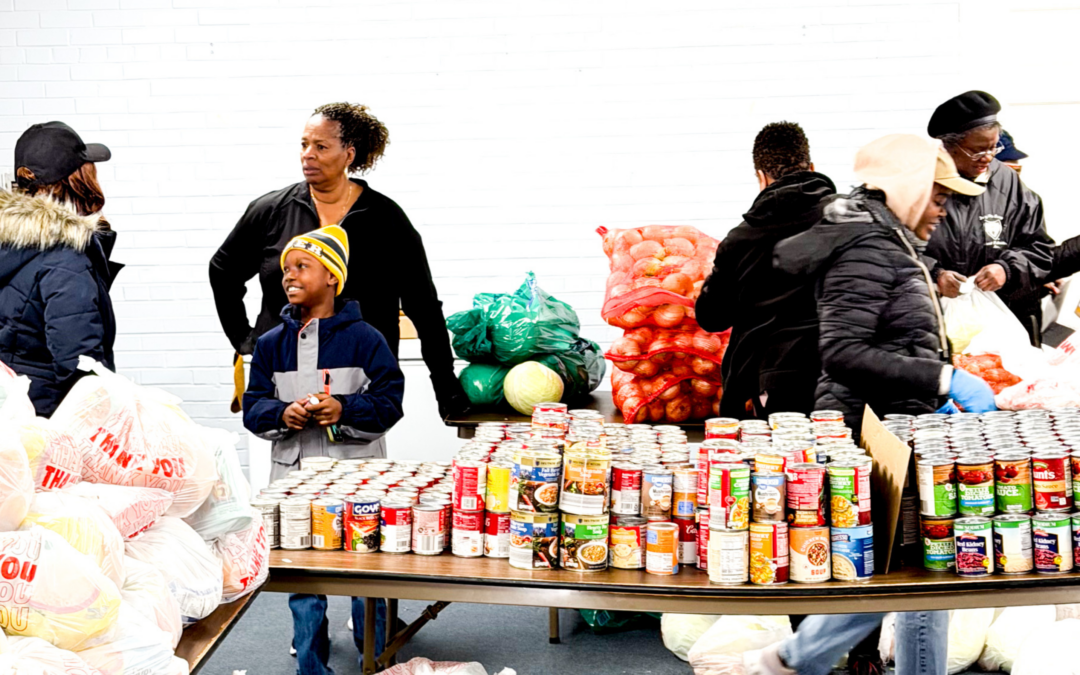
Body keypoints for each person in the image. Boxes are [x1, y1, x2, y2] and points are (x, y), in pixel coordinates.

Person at [754, 135, 996, 675]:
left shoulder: (887, 239)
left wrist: (933, 393)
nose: (942, 209)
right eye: (936, 196)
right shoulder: (868, 245)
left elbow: (895, 337)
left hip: (898, 424)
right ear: (907, 187)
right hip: (870, 431)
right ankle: (790, 659)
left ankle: (793, 660)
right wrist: (943, 377)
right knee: (913, 572)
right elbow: (842, 352)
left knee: (913, 572)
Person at [211, 102, 468, 426]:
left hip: (360, 382)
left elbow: (423, 306)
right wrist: (245, 338)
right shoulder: (271, 210)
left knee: (356, 472)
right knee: (283, 470)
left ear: (349, 153)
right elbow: (223, 270)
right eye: (304, 144)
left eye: (321, 146)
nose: (308, 154)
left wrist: (445, 385)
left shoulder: (386, 219)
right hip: (283, 376)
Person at [243, 225, 404, 675]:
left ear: (332, 276)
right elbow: (254, 408)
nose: (288, 276)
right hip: (295, 482)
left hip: (358, 479)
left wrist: (345, 407)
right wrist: (281, 415)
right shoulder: (272, 345)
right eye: (285, 269)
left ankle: (372, 651)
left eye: (302, 266)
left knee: (365, 565)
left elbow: (391, 402)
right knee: (302, 572)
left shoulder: (366, 338)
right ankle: (310, 662)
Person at [696, 121, 836, 419]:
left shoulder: (741, 239)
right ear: (811, 165)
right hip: (843, 376)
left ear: (761, 177)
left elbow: (711, 318)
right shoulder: (854, 220)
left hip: (770, 385)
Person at [0, 122, 120, 416]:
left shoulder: (11, 243)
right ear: (76, 181)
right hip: (51, 428)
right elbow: (80, 364)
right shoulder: (65, 259)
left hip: (15, 419)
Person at [924, 91, 1055, 344]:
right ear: (948, 146)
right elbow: (890, 249)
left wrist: (1006, 269)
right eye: (976, 150)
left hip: (996, 317)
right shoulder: (918, 182)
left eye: (993, 147)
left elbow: (1039, 248)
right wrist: (934, 274)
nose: (987, 157)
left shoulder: (1006, 181)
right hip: (928, 320)